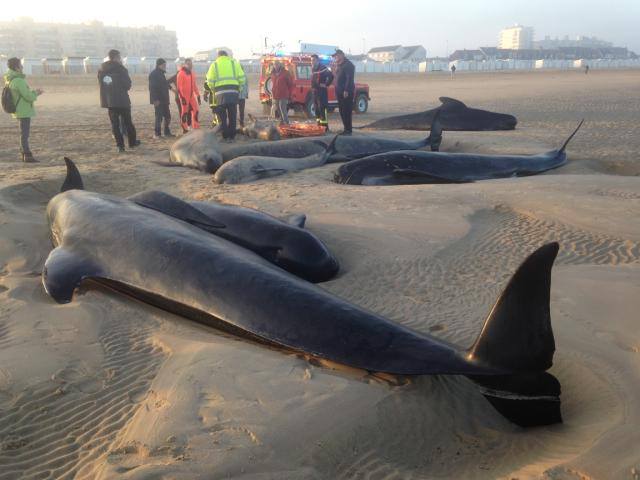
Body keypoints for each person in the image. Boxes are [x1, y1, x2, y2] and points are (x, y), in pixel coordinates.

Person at [98, 49, 139, 152]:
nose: (120, 59)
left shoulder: (102, 70)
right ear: (116, 57)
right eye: (119, 57)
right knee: (128, 123)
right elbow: (127, 85)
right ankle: (132, 143)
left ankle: (120, 146)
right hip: (122, 101)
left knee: (115, 125)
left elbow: (102, 84)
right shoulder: (121, 69)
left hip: (110, 102)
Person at [3, 57, 43, 162]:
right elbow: (28, 96)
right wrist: (36, 93)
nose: (22, 67)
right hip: (23, 110)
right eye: (20, 65)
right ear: (16, 68)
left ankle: (24, 154)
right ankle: (27, 155)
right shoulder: (18, 80)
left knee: (23, 133)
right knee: (24, 134)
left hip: (19, 110)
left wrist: (33, 93)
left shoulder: (10, 80)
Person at [206, 50, 246, 141]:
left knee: (222, 117)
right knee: (232, 115)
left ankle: (225, 135)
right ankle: (232, 136)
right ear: (227, 55)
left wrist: (213, 90)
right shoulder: (234, 63)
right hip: (233, 92)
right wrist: (238, 89)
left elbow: (210, 80)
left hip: (220, 94)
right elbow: (242, 78)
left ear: (218, 56)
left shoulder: (214, 65)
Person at [148, 58, 173, 138]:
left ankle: (167, 132)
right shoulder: (153, 74)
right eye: (163, 65)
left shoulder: (161, 74)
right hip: (158, 100)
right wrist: (155, 100)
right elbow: (152, 88)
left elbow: (164, 83)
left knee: (168, 117)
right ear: (159, 65)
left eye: (165, 65)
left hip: (165, 99)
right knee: (159, 117)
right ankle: (157, 134)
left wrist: (172, 89)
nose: (165, 66)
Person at [332, 49, 355, 135]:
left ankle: (348, 130)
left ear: (342, 55)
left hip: (346, 93)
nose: (335, 58)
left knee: (347, 111)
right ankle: (346, 128)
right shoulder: (339, 65)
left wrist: (346, 90)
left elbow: (349, 79)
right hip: (339, 92)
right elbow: (337, 77)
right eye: (335, 56)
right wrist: (333, 70)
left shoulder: (348, 65)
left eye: (337, 56)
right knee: (342, 111)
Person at [176, 58, 201, 133]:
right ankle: (185, 128)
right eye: (189, 64)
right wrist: (182, 97)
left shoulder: (192, 73)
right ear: (185, 64)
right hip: (184, 96)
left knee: (196, 110)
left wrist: (198, 95)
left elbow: (194, 85)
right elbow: (179, 87)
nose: (191, 65)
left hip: (191, 96)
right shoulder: (181, 73)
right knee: (185, 112)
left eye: (191, 64)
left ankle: (195, 126)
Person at [311, 54, 333, 131]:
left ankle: (325, 128)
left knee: (322, 110)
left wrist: (326, 84)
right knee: (316, 110)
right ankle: (319, 126)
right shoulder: (313, 68)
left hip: (321, 92)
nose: (312, 62)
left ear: (317, 60)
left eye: (313, 60)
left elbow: (331, 76)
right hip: (315, 92)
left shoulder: (323, 68)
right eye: (311, 60)